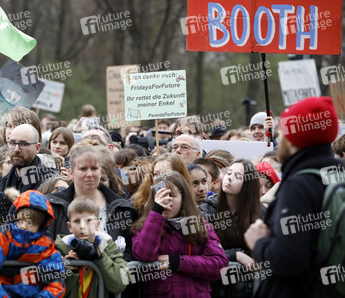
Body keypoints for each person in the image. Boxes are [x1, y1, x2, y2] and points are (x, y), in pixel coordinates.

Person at [244, 96, 343, 298]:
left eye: (283, 133)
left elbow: (289, 260)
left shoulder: (300, 184)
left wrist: (259, 243)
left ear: (292, 140)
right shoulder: (338, 173)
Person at [131, 172, 228, 297]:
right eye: (161, 196)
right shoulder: (146, 225)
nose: (166, 201)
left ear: (183, 198)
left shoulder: (200, 225)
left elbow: (219, 263)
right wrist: (156, 213)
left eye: (171, 195)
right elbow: (144, 254)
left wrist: (178, 262)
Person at [45, 146, 137, 261]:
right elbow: (45, 247)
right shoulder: (53, 205)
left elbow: (130, 252)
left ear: (100, 171)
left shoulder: (122, 207)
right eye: (83, 169)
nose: (89, 174)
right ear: (71, 173)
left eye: (94, 168)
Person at [0, 190, 66, 298]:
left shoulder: (45, 246)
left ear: (42, 225)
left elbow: (57, 283)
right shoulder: (1, 237)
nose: (24, 226)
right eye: (20, 219)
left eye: (31, 222)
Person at [200, 159, 263, 298]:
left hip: (248, 287)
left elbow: (264, 250)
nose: (229, 178)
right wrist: (237, 255)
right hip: (212, 285)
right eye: (229, 173)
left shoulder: (260, 212)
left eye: (238, 176)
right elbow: (202, 249)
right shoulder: (207, 209)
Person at [55, 197, 128, 297]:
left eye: (88, 220)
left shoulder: (107, 246)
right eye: (77, 221)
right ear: (69, 227)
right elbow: (55, 290)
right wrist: (70, 269)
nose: (82, 226)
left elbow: (120, 284)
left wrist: (99, 257)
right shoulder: (60, 248)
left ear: (98, 224)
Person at [0, 124, 58, 193]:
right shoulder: (1, 185)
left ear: (37, 148)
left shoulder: (50, 182)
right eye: (12, 143)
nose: (16, 149)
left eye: (24, 144)